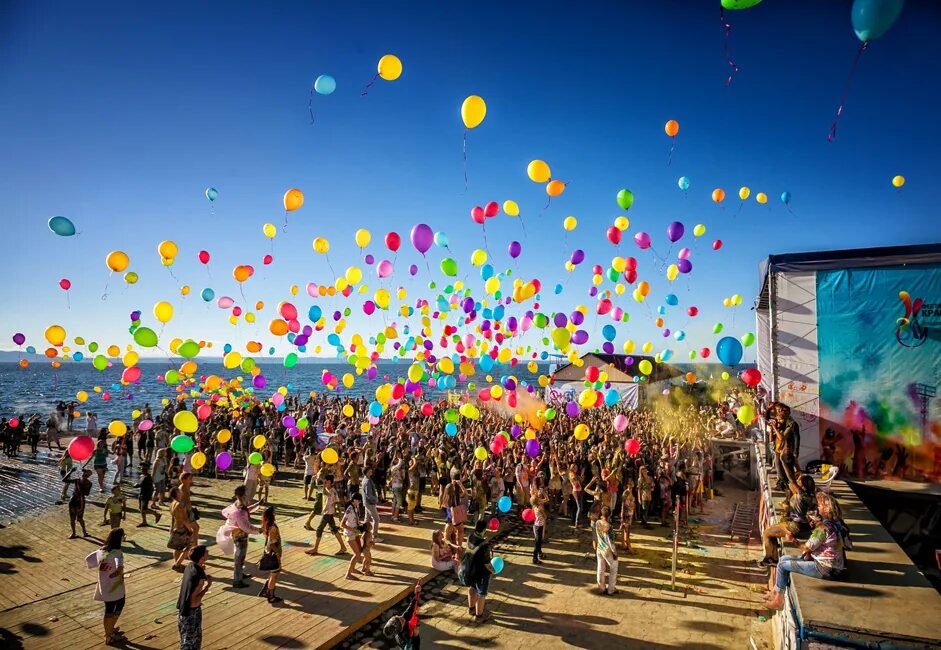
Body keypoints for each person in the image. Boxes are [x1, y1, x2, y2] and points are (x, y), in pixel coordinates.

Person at [765, 493, 845, 610]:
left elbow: (806, 548)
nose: (817, 509)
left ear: (826, 510)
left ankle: (778, 600)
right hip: (833, 566)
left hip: (824, 568)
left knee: (782, 565)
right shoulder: (835, 523)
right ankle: (775, 591)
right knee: (783, 559)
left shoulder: (823, 528)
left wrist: (792, 539)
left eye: (820, 507)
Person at [758, 474, 816, 567]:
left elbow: (790, 478)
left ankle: (769, 559)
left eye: (799, 482)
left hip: (796, 526)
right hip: (805, 527)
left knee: (766, 533)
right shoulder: (811, 495)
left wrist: (783, 461)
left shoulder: (801, 495)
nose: (796, 482)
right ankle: (774, 557)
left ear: (802, 487)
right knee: (774, 529)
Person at [84, 528, 126, 645]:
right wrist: (116, 574)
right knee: (118, 605)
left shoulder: (101, 551)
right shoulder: (117, 553)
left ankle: (110, 630)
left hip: (104, 585)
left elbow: (88, 560)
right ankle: (109, 635)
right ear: (119, 538)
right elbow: (119, 567)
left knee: (109, 608)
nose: (124, 536)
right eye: (123, 535)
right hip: (115, 587)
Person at [217, 485, 260, 588]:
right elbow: (246, 527)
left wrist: (258, 504)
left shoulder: (237, 505)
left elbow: (247, 510)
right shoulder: (239, 511)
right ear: (242, 497)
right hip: (240, 535)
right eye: (246, 495)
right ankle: (237, 580)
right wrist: (259, 530)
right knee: (239, 557)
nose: (248, 497)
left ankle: (240, 574)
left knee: (241, 556)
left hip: (239, 534)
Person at [304, 475, 349, 555]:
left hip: (328, 513)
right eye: (325, 482)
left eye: (327, 482)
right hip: (329, 512)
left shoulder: (331, 491)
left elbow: (332, 501)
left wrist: (335, 513)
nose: (325, 483)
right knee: (334, 529)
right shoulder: (328, 489)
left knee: (319, 529)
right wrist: (315, 480)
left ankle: (315, 548)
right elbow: (316, 487)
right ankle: (343, 547)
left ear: (331, 482)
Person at [177, 545, 212, 650]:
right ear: (202, 557)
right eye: (206, 552)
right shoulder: (199, 577)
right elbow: (194, 600)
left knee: (185, 640)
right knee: (191, 643)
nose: (208, 552)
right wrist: (207, 587)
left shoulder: (190, 566)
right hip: (191, 614)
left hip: (182, 611)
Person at [466, 518, 496, 624]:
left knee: (472, 588)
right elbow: (487, 564)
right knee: (481, 594)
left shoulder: (470, 536)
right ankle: (479, 616)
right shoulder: (485, 545)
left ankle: (471, 608)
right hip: (481, 573)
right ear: (484, 529)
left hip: (470, 569)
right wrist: (493, 571)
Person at [168, 487, 197, 571]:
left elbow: (173, 518)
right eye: (179, 490)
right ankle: (177, 564)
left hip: (176, 528)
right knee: (190, 546)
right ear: (177, 493)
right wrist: (190, 529)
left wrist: (171, 528)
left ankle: (177, 564)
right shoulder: (181, 504)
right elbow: (184, 519)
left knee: (177, 548)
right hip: (182, 528)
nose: (181, 491)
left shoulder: (172, 503)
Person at [258, 506, 283, 603]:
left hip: (268, 551)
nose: (275, 513)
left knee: (273, 573)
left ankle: (266, 590)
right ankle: (271, 595)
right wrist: (277, 553)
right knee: (275, 574)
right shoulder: (272, 527)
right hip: (273, 553)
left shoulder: (266, 525)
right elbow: (272, 543)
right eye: (274, 512)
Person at [594, 506, 619, 595]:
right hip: (607, 550)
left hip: (600, 548)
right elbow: (610, 542)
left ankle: (601, 588)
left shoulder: (597, 523)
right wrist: (615, 553)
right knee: (613, 569)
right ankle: (611, 589)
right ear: (609, 515)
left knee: (600, 568)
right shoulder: (609, 527)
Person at [341, 493, 365, 580]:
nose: (359, 502)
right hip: (349, 534)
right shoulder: (350, 509)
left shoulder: (355, 507)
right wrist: (353, 530)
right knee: (357, 554)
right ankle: (348, 574)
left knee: (358, 553)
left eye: (360, 501)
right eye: (358, 500)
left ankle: (353, 569)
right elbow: (342, 524)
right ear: (354, 500)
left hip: (353, 532)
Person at [133, 462, 161, 527]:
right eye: (142, 469)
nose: (142, 470)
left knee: (144, 509)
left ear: (147, 469)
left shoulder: (147, 477)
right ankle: (144, 521)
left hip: (145, 495)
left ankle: (156, 514)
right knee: (141, 509)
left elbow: (142, 485)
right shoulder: (142, 476)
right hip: (141, 493)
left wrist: (135, 485)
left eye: (144, 469)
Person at [361, 465, 384, 542]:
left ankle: (364, 533)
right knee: (376, 519)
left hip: (366, 502)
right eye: (370, 471)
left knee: (367, 519)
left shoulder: (366, 479)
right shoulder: (367, 481)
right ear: (367, 472)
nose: (371, 472)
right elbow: (369, 494)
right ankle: (375, 536)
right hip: (370, 503)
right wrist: (376, 499)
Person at [68, 468, 93, 539]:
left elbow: (87, 493)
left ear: (88, 476)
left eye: (87, 475)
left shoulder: (89, 483)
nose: (85, 476)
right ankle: (73, 533)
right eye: (84, 474)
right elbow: (64, 480)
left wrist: (80, 487)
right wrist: (70, 472)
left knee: (80, 518)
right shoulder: (77, 480)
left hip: (80, 502)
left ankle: (84, 532)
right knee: (72, 518)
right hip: (73, 500)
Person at [531, 486, 548, 564]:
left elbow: (547, 499)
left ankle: (540, 554)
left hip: (536, 525)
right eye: (538, 498)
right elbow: (545, 516)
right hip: (539, 527)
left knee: (539, 541)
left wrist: (544, 493)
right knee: (537, 543)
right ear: (538, 501)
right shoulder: (539, 508)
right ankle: (535, 558)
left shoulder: (535, 505)